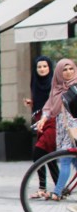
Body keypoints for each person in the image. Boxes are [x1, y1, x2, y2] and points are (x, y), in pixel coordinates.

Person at [35, 58, 77, 200]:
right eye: (64, 70)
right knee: (73, 161)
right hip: (63, 129)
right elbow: (49, 106)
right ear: (59, 72)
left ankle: (57, 192)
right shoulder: (57, 87)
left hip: (74, 130)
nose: (68, 72)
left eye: (71, 68)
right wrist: (43, 119)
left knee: (65, 160)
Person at [25, 56, 57, 198]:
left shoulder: (54, 84)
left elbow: (53, 104)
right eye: (39, 67)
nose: (42, 69)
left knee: (39, 153)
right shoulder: (35, 83)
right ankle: (53, 188)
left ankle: (52, 187)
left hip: (52, 122)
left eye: (45, 66)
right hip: (40, 122)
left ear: (50, 68)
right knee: (48, 156)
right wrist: (32, 103)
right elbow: (41, 102)